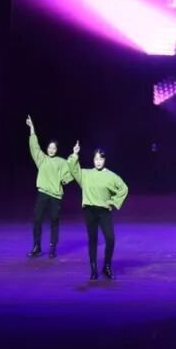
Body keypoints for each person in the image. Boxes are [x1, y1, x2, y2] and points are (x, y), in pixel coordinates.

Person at [67, 142, 129, 281]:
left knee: (110, 239)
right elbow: (72, 168)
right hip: (89, 210)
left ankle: (106, 266)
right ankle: (93, 270)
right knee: (93, 239)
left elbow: (124, 188)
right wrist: (75, 153)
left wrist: (114, 201)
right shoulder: (86, 174)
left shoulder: (111, 176)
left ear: (105, 160)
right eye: (96, 159)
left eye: (101, 159)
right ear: (93, 160)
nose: (98, 162)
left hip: (104, 211)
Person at [25, 115, 73, 258]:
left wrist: (65, 179)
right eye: (50, 147)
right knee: (37, 220)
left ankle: (52, 248)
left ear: (57, 149)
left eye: (54, 148)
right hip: (43, 194)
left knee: (54, 222)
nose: (51, 150)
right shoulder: (42, 159)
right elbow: (34, 146)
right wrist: (32, 128)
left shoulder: (61, 162)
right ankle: (37, 247)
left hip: (55, 196)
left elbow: (70, 173)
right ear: (47, 148)